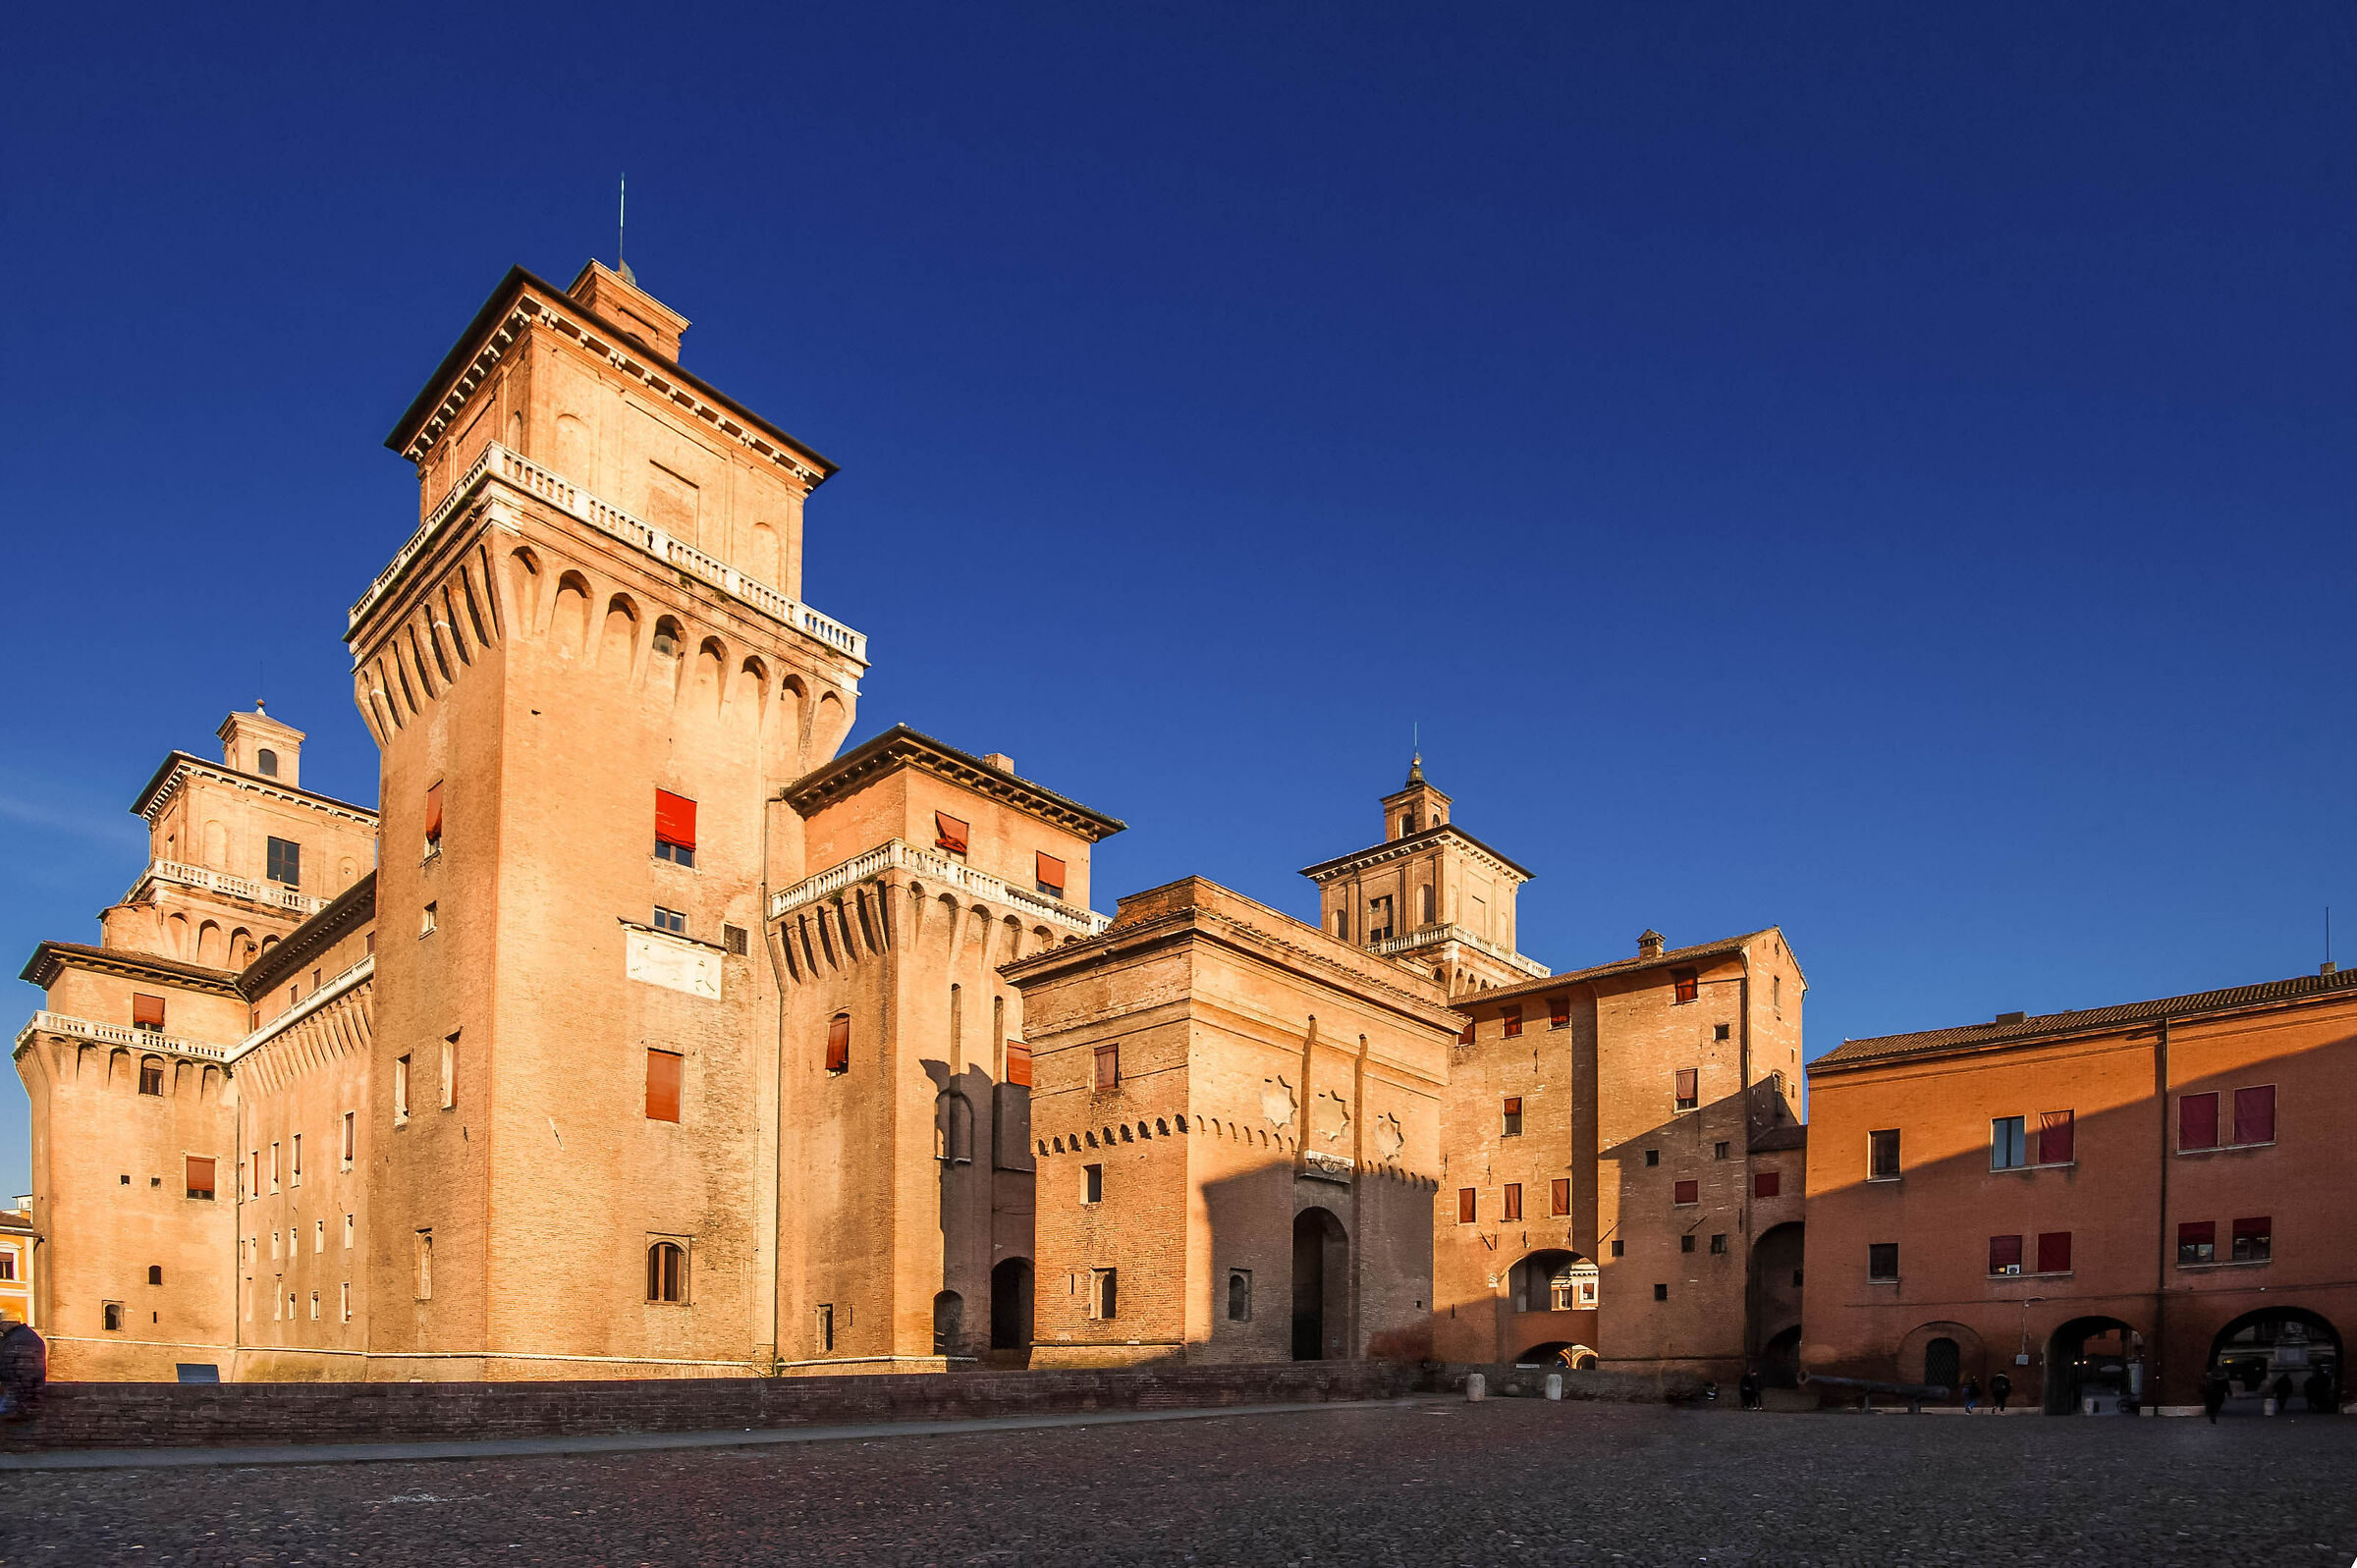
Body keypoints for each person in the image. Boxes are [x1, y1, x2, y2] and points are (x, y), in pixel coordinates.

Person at [0, 1319, 44, 1423]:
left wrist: (18, 1404)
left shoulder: (19, 1340)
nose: (0, 1327)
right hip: (20, 1399)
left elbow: (23, 1375)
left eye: (1, 1324)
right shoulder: (19, 1337)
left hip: (18, 1401)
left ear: (9, 1322)